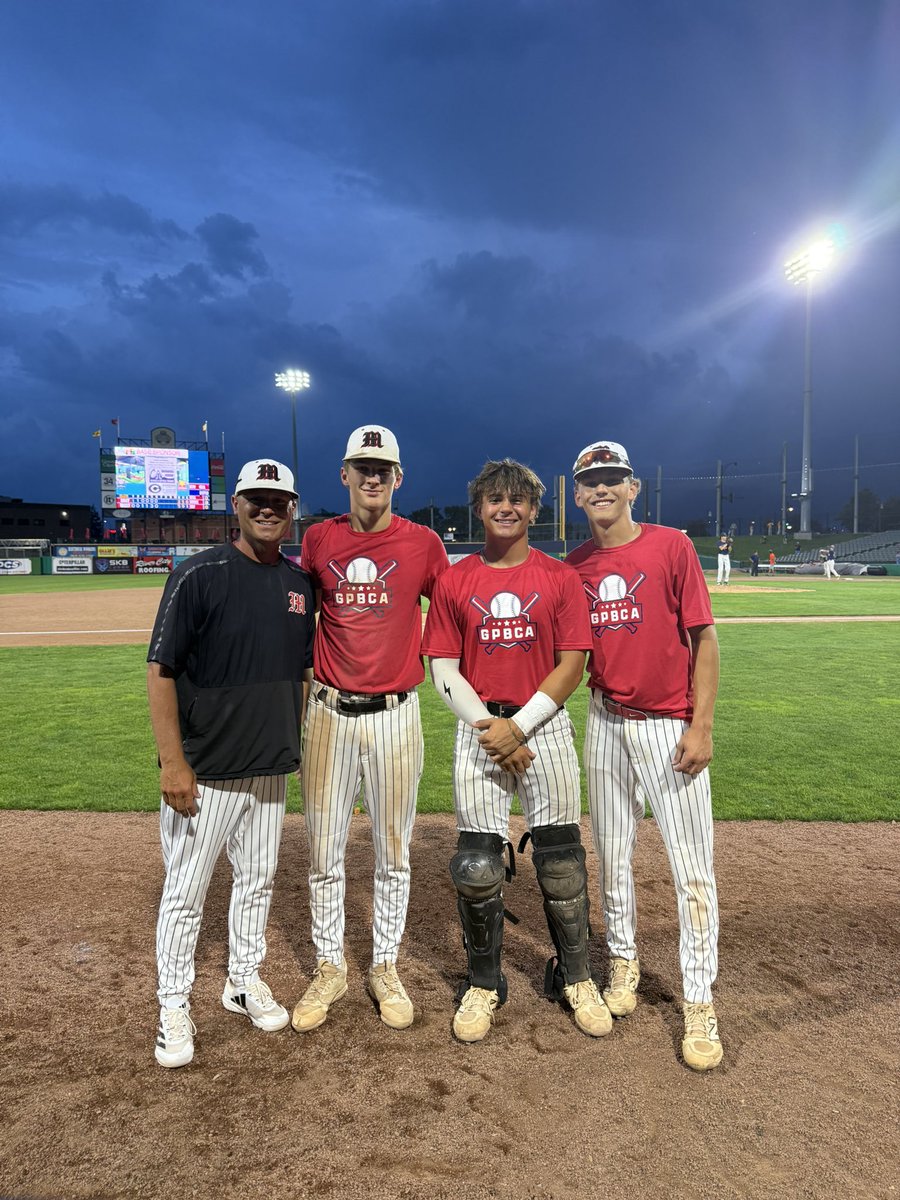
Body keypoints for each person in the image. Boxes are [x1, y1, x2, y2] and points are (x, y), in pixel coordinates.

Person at [423, 459, 610, 1044]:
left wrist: (519, 728)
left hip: (542, 727)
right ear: (479, 509)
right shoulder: (456, 581)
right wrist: (490, 726)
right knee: (477, 866)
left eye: (518, 500)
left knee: (559, 861)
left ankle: (575, 975)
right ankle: (484, 981)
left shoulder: (557, 578)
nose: (506, 508)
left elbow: (573, 664)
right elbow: (443, 667)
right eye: (494, 499)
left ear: (534, 510)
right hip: (479, 724)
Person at [147, 459, 315, 1069]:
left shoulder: (299, 585)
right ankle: (172, 1004)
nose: (268, 509)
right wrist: (173, 762)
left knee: (257, 881)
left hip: (268, 767)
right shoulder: (198, 574)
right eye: (256, 499)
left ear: (292, 508)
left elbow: (300, 672)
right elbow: (160, 671)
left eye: (279, 500)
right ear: (236, 505)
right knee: (186, 893)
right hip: (206, 770)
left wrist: (289, 741)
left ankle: (243, 980)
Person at [565, 440, 723, 1071]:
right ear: (577, 495)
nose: (601, 489)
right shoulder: (573, 565)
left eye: (612, 479)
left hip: (668, 725)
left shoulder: (670, 546)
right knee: (614, 857)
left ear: (633, 488)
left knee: (692, 871)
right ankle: (624, 963)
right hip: (604, 720)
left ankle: (698, 999)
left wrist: (701, 724)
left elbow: (703, 638)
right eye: (590, 482)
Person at [292, 425, 449, 1034]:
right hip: (329, 714)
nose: (373, 476)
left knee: (394, 852)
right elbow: (296, 614)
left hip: (395, 716)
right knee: (324, 851)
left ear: (398, 478)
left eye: (383, 467)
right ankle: (329, 964)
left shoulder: (423, 544)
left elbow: (454, 609)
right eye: (363, 466)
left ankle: (385, 964)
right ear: (344, 474)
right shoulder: (318, 539)